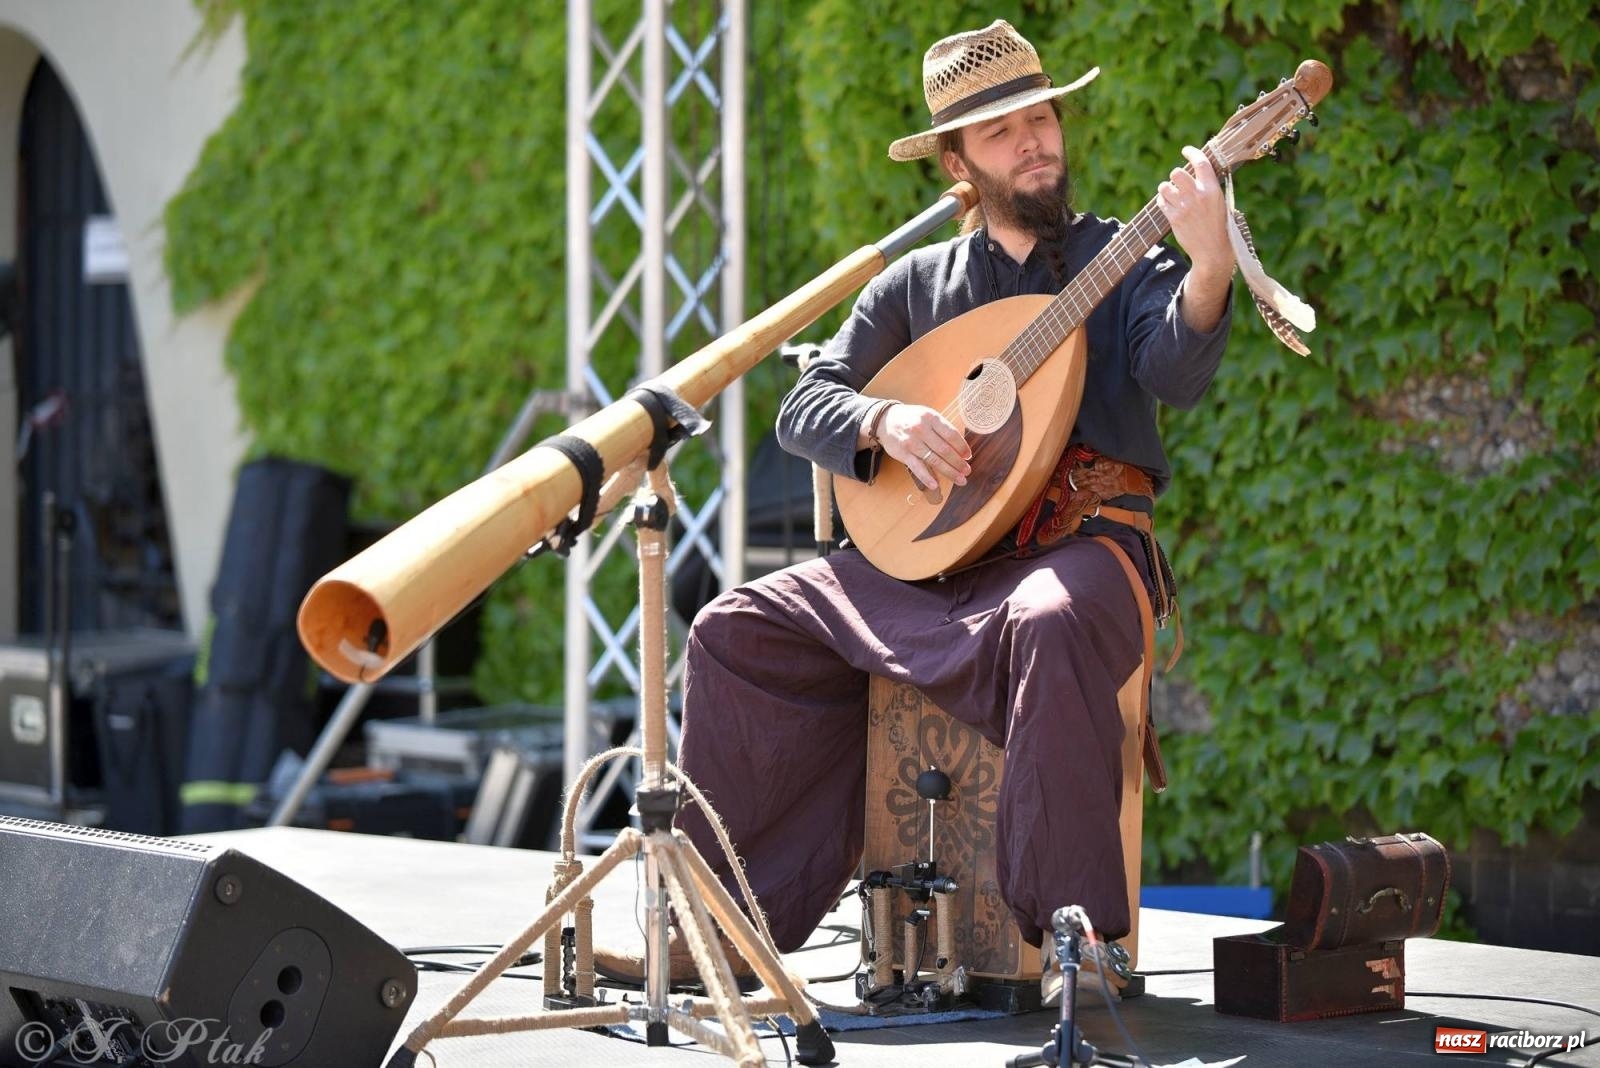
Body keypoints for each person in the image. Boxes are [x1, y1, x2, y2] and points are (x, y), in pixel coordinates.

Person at [596, 18, 1234, 991]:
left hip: (1078, 549)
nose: (1034, 140)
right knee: (735, 628)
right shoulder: (916, 285)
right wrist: (885, 423)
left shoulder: (1119, 260)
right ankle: (718, 929)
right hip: (928, 569)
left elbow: (1175, 371)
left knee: (1053, 619)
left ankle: (1073, 940)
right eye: (1000, 129)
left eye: (1042, 117)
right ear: (956, 161)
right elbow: (803, 407)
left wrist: (1210, 268)